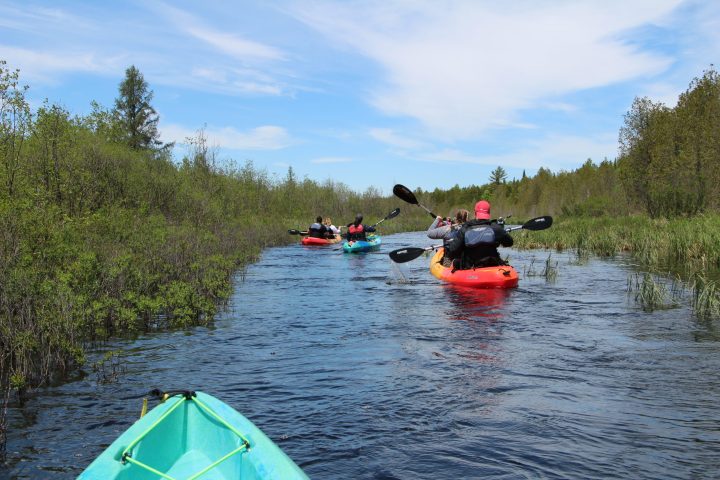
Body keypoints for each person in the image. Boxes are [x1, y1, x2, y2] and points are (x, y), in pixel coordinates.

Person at [457, 200, 513, 269]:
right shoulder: (496, 228)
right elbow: (509, 243)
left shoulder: (465, 229)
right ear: (489, 213)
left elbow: (453, 250)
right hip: (492, 266)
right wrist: (497, 240)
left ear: (475, 213)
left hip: (471, 267)